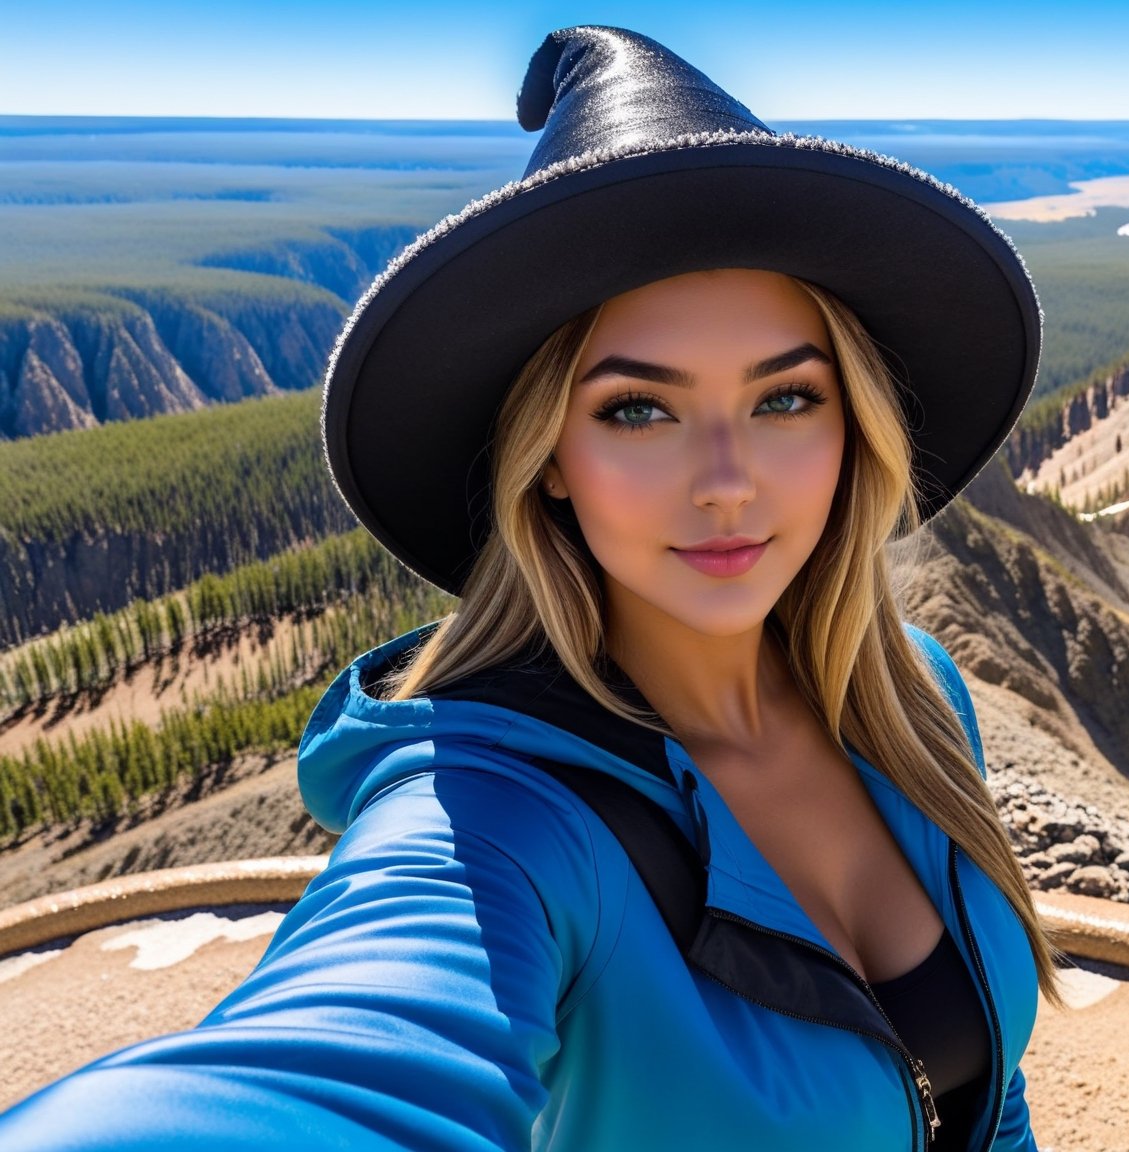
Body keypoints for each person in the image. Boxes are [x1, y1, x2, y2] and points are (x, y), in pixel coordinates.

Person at [0, 25, 1065, 1151]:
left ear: (855, 426)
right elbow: (329, 1070)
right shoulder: (492, 823)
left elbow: (983, 1098)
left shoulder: (911, 697)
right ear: (550, 456)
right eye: (637, 410)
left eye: (786, 398)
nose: (726, 484)